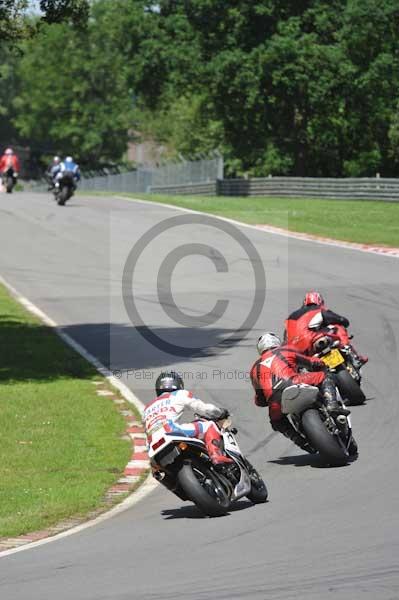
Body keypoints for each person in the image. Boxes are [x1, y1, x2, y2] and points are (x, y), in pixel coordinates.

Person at [250, 332, 350, 453]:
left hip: (275, 400)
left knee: (277, 421)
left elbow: (260, 400)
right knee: (325, 376)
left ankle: (299, 441)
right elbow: (312, 362)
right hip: (295, 381)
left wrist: (269, 398)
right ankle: (332, 404)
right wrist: (321, 364)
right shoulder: (286, 350)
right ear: (277, 342)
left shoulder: (254, 369)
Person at [144, 371, 233, 468]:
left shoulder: (147, 408)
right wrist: (220, 412)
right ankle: (216, 456)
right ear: (178, 384)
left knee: (157, 471)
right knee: (209, 425)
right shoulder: (179, 394)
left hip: (151, 445)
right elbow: (204, 409)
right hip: (170, 431)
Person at [284, 291, 368, 368]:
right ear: (320, 301)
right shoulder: (319, 310)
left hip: (296, 351)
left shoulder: (290, 317)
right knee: (338, 325)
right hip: (312, 340)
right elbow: (343, 320)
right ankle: (351, 353)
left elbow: (286, 338)